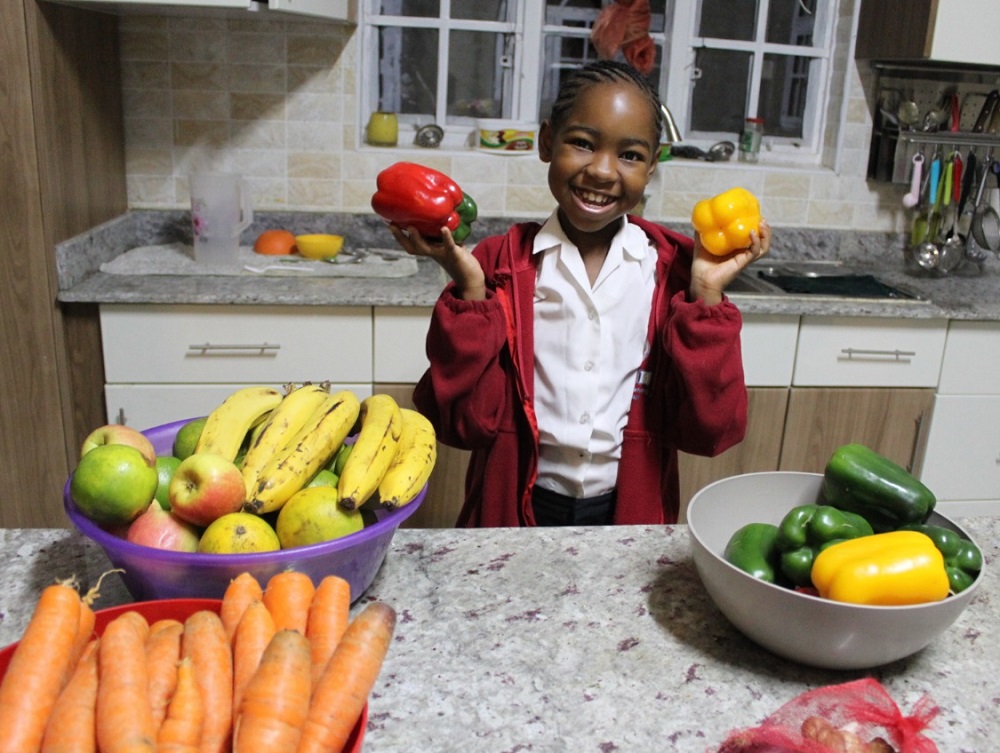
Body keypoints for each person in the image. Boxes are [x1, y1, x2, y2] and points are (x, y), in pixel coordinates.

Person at [387, 60, 771, 527]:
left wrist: (707, 297)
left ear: (652, 166)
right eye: (583, 144)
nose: (603, 171)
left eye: (630, 155)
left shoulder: (676, 276)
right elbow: (460, 426)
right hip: (510, 514)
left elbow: (710, 432)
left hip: (630, 515)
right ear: (548, 142)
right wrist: (470, 292)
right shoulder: (497, 268)